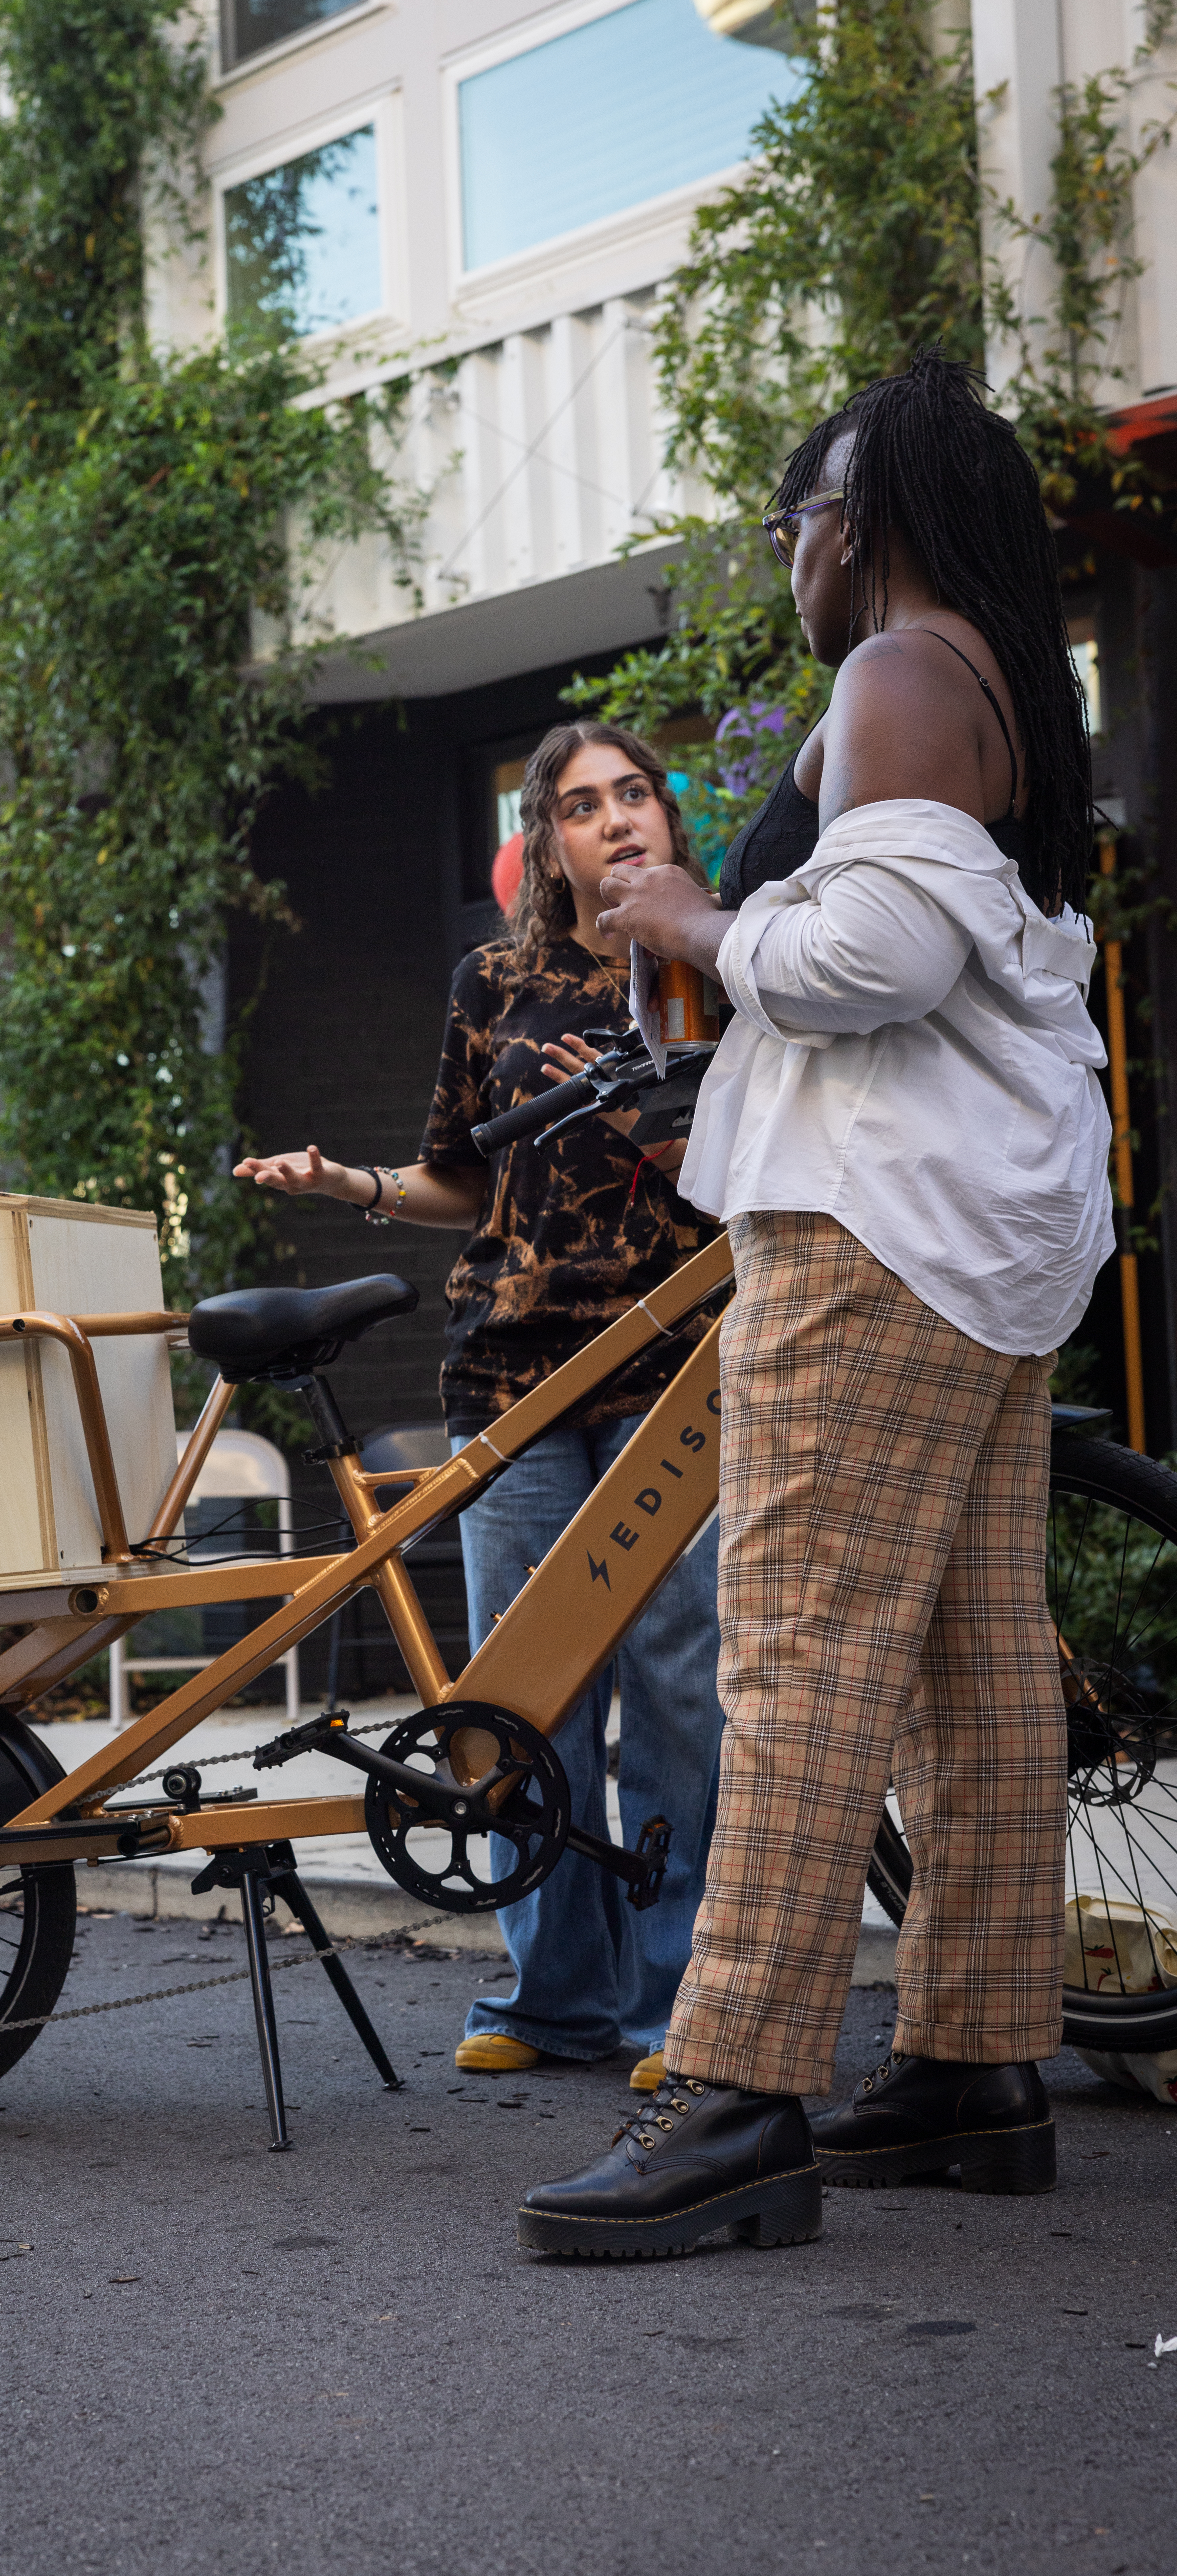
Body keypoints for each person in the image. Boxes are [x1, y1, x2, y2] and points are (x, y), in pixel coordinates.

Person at [517, 348, 1113, 2262]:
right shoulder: (997, 679)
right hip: (993, 1228)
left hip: (875, 1230)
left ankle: (738, 2096)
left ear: (849, 523)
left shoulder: (897, 670)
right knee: (967, 1656)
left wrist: (693, 921)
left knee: (793, 1646)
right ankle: (971, 2061)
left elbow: (864, 952)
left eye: (793, 530)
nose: (790, 567)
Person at [234, 723, 726, 2088]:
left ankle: (674, 2001)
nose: (618, 821)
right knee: (524, 1695)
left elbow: (757, 1160)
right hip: (511, 1370)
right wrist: (354, 1189)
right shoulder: (494, 981)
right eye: (583, 806)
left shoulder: (714, 958)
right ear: (546, 842)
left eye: (635, 795)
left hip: (668, 1364)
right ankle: (551, 1993)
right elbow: (463, 1180)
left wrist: (665, 1132)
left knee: (675, 1686)